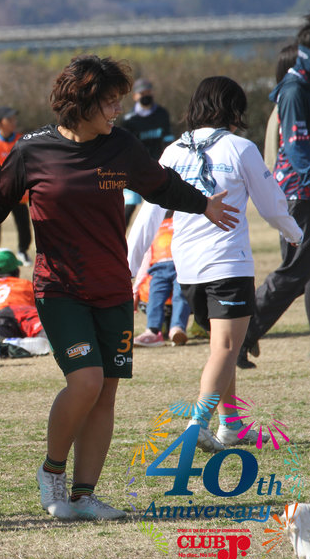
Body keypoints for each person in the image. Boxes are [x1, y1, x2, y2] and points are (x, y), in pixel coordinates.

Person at [0, 55, 238, 521]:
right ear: (81, 103)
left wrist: (203, 204)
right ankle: (52, 471)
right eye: (109, 102)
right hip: (59, 288)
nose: (117, 111)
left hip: (112, 288)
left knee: (105, 390)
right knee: (85, 381)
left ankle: (84, 496)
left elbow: (161, 185)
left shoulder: (121, 145)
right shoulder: (32, 150)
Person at [128, 76, 302, 451]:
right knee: (226, 347)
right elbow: (272, 203)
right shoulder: (240, 148)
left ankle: (232, 426)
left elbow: (147, 216)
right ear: (233, 110)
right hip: (228, 265)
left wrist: (128, 267)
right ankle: (198, 425)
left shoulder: (173, 150)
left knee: (223, 347)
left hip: (187, 269)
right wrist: (295, 233)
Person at [240, 15, 310, 369]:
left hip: (301, 192)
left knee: (302, 272)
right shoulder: (296, 89)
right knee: (294, 272)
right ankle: (243, 333)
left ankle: (243, 332)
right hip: (302, 193)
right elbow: (298, 151)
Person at [131, 212, 191, 347]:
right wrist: (136, 288)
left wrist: (136, 288)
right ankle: (153, 331)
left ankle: (176, 329)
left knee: (178, 296)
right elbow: (146, 259)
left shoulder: (182, 225)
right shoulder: (155, 230)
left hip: (179, 266)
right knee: (156, 298)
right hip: (159, 269)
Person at [121, 78, 174, 224]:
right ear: (135, 96)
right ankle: (120, 237)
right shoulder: (129, 120)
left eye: (148, 92)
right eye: (142, 93)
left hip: (158, 167)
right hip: (135, 170)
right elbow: (125, 148)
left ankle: (162, 235)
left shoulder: (162, 114)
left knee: (167, 205)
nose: (146, 95)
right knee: (129, 206)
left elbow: (168, 141)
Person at [0, 107, 32, 263]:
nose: (14, 122)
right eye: (9, 119)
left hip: (18, 190)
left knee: (24, 224)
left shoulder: (21, 139)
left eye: (14, 119)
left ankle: (23, 251)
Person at [0, 248, 44, 341]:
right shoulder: (26, 284)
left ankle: (5, 342)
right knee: (49, 335)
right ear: (16, 271)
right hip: (26, 314)